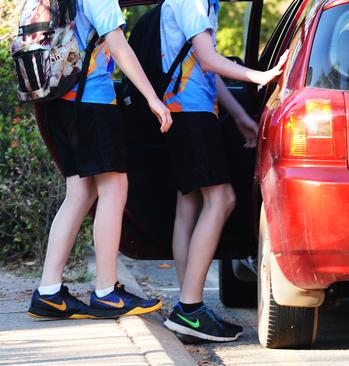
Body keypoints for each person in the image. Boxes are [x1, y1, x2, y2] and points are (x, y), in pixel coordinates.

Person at [27, 0, 172, 320]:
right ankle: (107, 292)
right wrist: (152, 98)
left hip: (56, 100)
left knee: (80, 192)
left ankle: (48, 292)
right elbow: (118, 46)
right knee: (115, 187)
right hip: (91, 102)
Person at [158, 0, 287, 342]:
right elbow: (208, 59)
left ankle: (189, 307)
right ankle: (189, 307)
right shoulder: (194, 2)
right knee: (223, 199)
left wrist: (240, 116)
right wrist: (260, 76)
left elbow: (205, 71)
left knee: (189, 206)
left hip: (184, 111)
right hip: (191, 113)